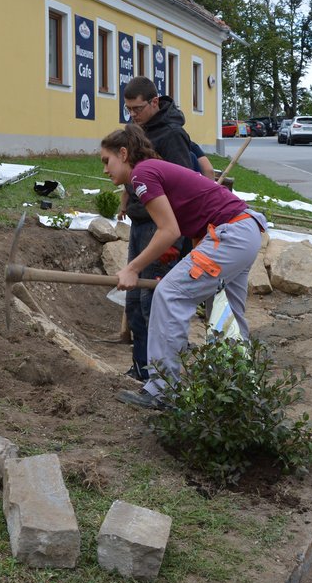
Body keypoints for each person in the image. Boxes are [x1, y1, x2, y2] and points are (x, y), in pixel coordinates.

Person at [101, 125, 265, 409]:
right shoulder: (156, 169)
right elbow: (187, 220)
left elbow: (168, 230)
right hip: (244, 229)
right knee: (226, 313)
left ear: (124, 153)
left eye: (107, 160)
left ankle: (162, 391)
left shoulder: (141, 174)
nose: (105, 169)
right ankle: (237, 394)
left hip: (229, 234)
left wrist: (133, 268)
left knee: (169, 295)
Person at [120, 77, 196, 381]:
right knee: (134, 300)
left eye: (137, 109)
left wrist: (174, 239)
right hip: (139, 222)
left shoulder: (173, 135)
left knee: (152, 301)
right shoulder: (136, 130)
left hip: (160, 226)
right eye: (128, 109)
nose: (133, 115)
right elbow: (132, 170)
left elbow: (183, 185)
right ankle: (140, 368)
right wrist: (126, 199)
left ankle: (160, 377)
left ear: (154, 102)